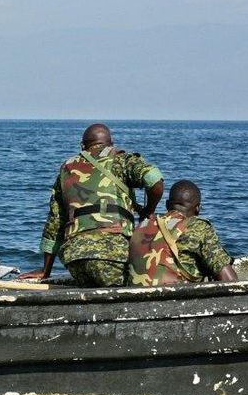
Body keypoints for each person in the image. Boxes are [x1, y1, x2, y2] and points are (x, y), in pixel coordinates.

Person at [19, 123, 164, 287]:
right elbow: (154, 179)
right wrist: (148, 211)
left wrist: (46, 271)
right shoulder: (122, 159)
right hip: (113, 254)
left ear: (82, 146)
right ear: (111, 144)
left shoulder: (67, 167)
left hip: (75, 258)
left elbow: (54, 223)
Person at [128, 179, 237, 286]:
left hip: (135, 299)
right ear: (198, 209)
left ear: (167, 205)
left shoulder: (142, 226)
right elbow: (229, 280)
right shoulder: (197, 226)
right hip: (174, 300)